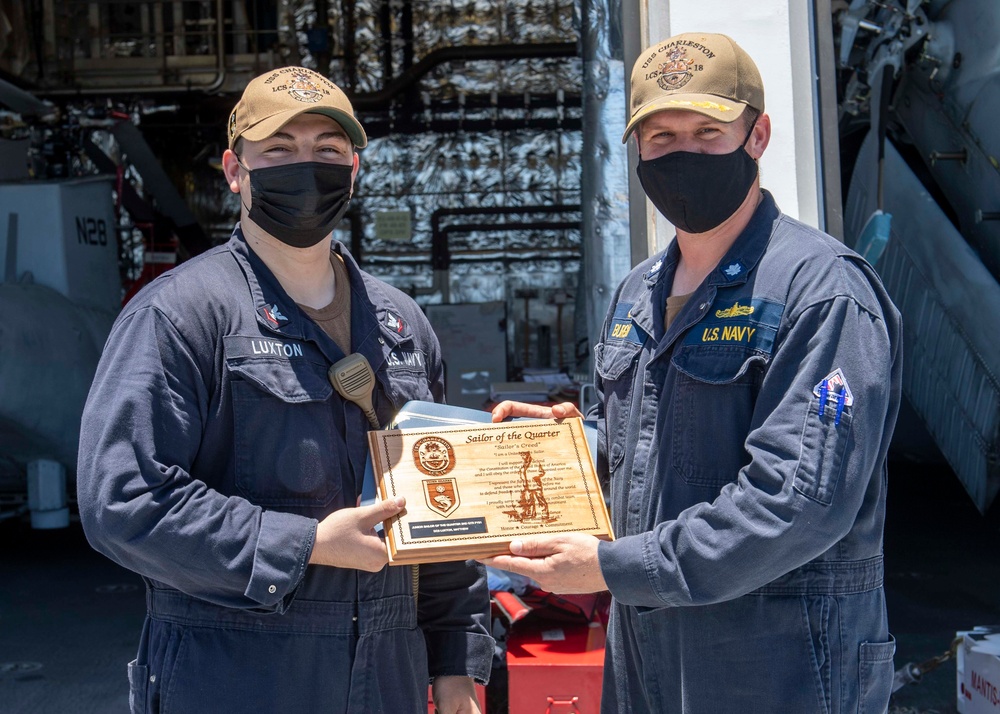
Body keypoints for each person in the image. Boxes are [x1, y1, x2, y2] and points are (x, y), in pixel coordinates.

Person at [487, 32, 902, 713]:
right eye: (661, 137)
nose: (682, 154)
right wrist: (579, 447)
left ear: (758, 135)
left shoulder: (821, 292)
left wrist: (612, 567)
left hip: (778, 668)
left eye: (707, 132)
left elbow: (796, 504)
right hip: (651, 661)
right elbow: (658, 443)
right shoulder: (638, 293)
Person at [77, 66, 492, 714]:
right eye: (279, 151)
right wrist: (304, 545)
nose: (306, 168)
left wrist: (455, 665)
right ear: (234, 170)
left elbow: (441, 510)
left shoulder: (401, 326)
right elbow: (122, 502)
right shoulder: (182, 316)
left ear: (353, 169)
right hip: (236, 679)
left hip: (387, 677)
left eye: (327, 151)